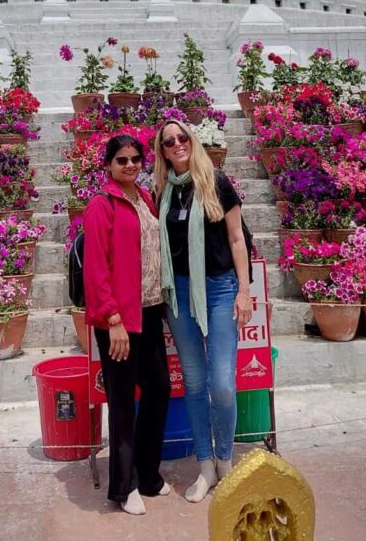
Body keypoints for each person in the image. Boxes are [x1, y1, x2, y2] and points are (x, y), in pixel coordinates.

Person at [154, 119, 252, 503]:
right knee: (194, 383)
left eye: (182, 137)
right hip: (179, 294)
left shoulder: (217, 182)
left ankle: (225, 460)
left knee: (222, 384)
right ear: (163, 151)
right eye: (168, 141)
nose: (177, 144)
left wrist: (244, 291)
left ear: (192, 140)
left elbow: (237, 239)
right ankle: (206, 465)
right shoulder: (162, 191)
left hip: (220, 290)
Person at [83, 133, 171, 516]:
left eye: (136, 158)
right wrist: (112, 319)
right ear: (108, 165)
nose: (130, 165)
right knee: (121, 402)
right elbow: (96, 268)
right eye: (122, 160)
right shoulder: (101, 205)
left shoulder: (145, 198)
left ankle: (148, 474)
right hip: (118, 319)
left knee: (159, 390)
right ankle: (124, 486)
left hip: (149, 312)